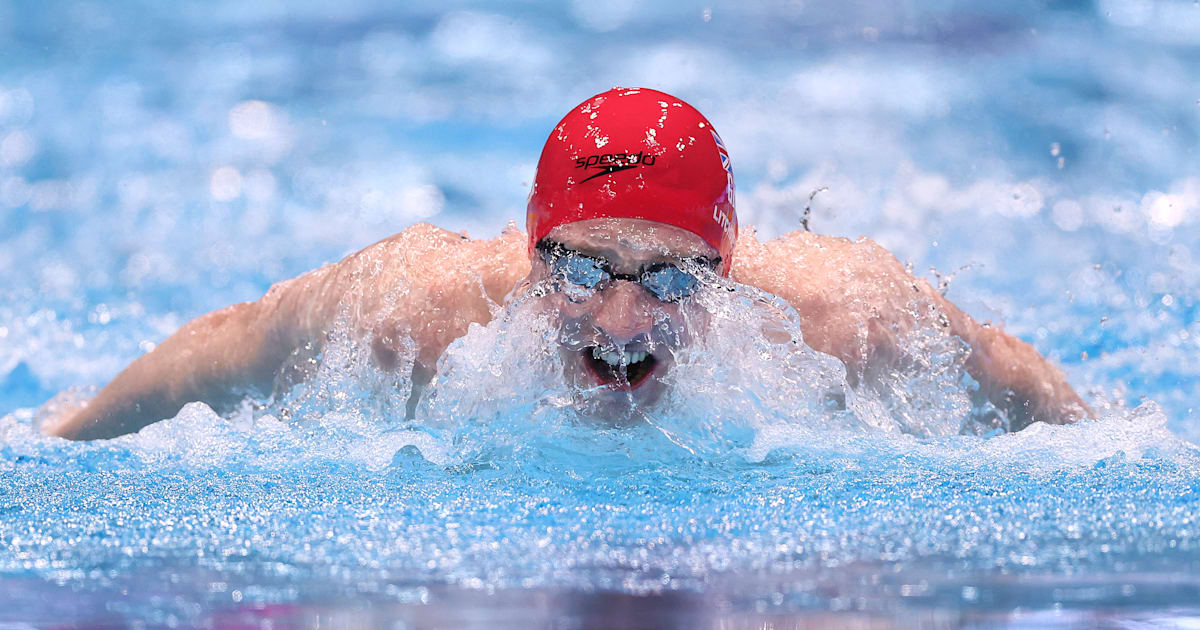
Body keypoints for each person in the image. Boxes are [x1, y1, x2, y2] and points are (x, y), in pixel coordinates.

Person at [43, 87, 1091, 441]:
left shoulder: (840, 322)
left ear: (729, 271)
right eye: (584, 271)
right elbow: (229, 348)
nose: (623, 323)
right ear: (528, 246)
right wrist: (56, 438)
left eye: (674, 277)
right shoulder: (418, 309)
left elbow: (1019, 387)